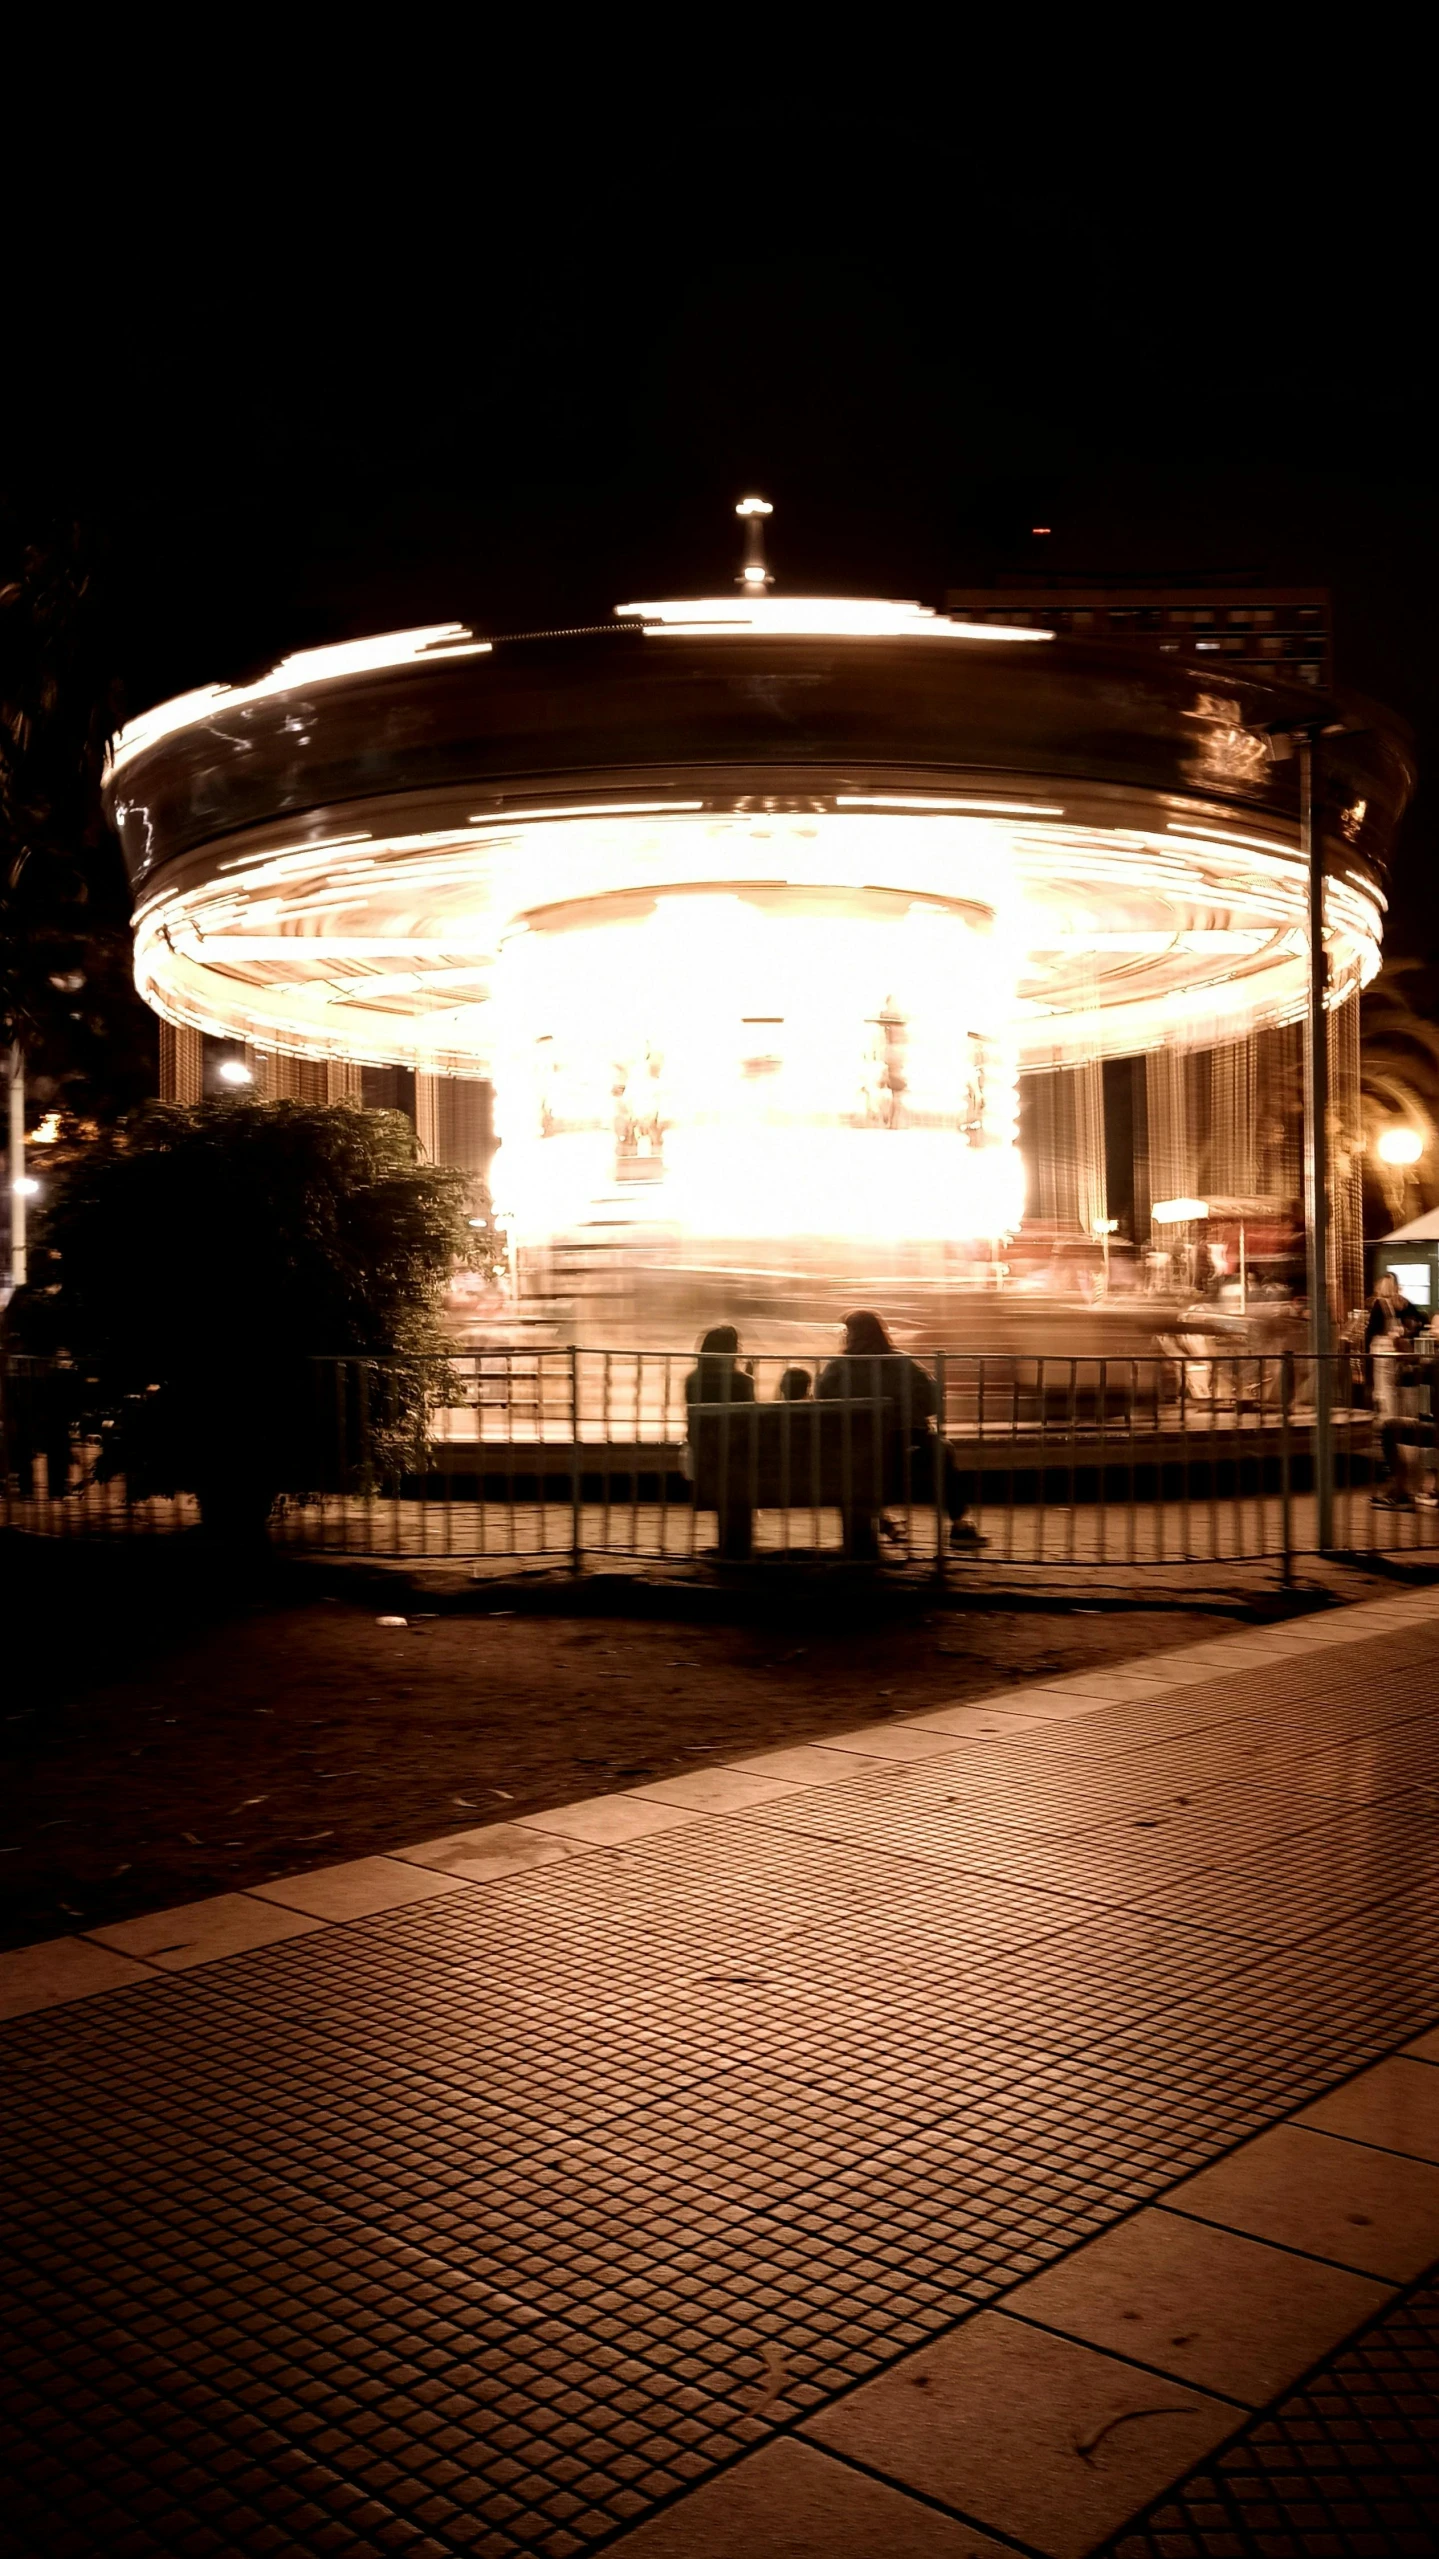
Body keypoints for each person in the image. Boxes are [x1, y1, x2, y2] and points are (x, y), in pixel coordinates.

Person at [817, 1310, 986, 1550]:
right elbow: (932, 1403)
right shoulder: (903, 1363)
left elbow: (823, 1408)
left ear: (850, 1336)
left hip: (856, 1461)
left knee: (859, 1465)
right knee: (942, 1450)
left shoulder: (837, 1369)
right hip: (907, 1457)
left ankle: (882, 1518)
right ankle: (959, 1523)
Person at [684, 1325, 755, 1557]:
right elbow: (751, 1423)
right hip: (741, 1464)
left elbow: (693, 1429)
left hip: (707, 1461)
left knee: (724, 1469)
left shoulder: (693, 1381)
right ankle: (739, 1547)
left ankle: (729, 1546)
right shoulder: (742, 1382)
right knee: (740, 1467)